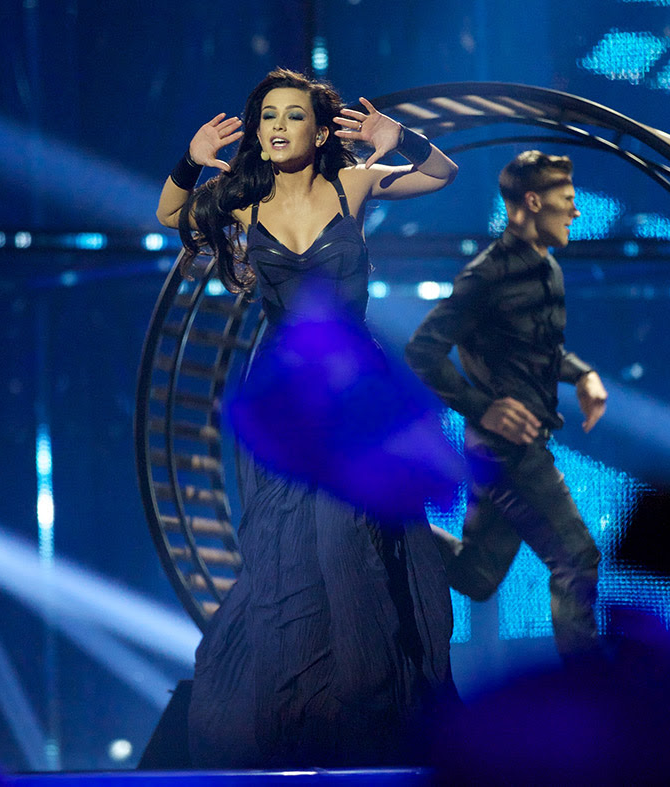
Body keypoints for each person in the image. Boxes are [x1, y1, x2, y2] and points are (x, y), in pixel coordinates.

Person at [156, 68, 459, 768]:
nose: (278, 127)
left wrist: (400, 137)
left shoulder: (352, 185)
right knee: (291, 564)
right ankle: (305, 731)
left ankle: (373, 717)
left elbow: (442, 173)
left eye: (293, 116)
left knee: (345, 543)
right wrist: (188, 158)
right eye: (268, 117)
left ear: (320, 131)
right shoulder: (240, 202)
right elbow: (170, 215)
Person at [404, 150, 608, 659]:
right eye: (567, 201)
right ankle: (591, 708)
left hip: (510, 446)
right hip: (504, 450)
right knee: (577, 559)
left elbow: (542, 348)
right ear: (533, 202)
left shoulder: (548, 269)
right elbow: (422, 350)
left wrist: (582, 374)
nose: (576, 212)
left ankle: (391, 518)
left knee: (477, 574)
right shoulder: (486, 276)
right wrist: (482, 406)